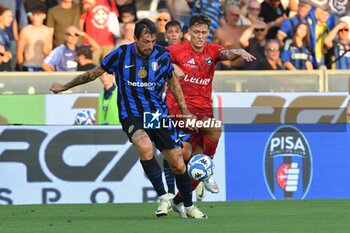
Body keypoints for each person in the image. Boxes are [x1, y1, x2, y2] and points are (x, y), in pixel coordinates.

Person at [50, 18, 207, 219]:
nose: (150, 46)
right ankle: (163, 195)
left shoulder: (162, 55)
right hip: (131, 112)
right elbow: (93, 74)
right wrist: (64, 87)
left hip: (156, 113)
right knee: (144, 146)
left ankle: (188, 205)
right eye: (145, 42)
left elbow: (173, 83)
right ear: (135, 39)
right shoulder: (121, 54)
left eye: (152, 41)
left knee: (177, 162)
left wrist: (184, 110)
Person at [166, 14, 255, 215]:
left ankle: (180, 199)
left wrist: (238, 51)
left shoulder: (212, 50)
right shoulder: (176, 50)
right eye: (196, 32)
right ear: (188, 33)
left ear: (208, 33)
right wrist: (172, 66)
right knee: (209, 133)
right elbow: (153, 57)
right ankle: (205, 173)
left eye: (203, 33)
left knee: (198, 158)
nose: (199, 36)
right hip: (180, 112)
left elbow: (227, 54)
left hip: (204, 111)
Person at [17, 5, 52, 71]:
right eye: (33, 15)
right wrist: (21, 66)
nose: (35, 18)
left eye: (38, 15)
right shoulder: (25, 30)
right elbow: (19, 51)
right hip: (28, 64)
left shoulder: (47, 31)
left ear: (43, 16)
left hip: (42, 65)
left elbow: (48, 51)